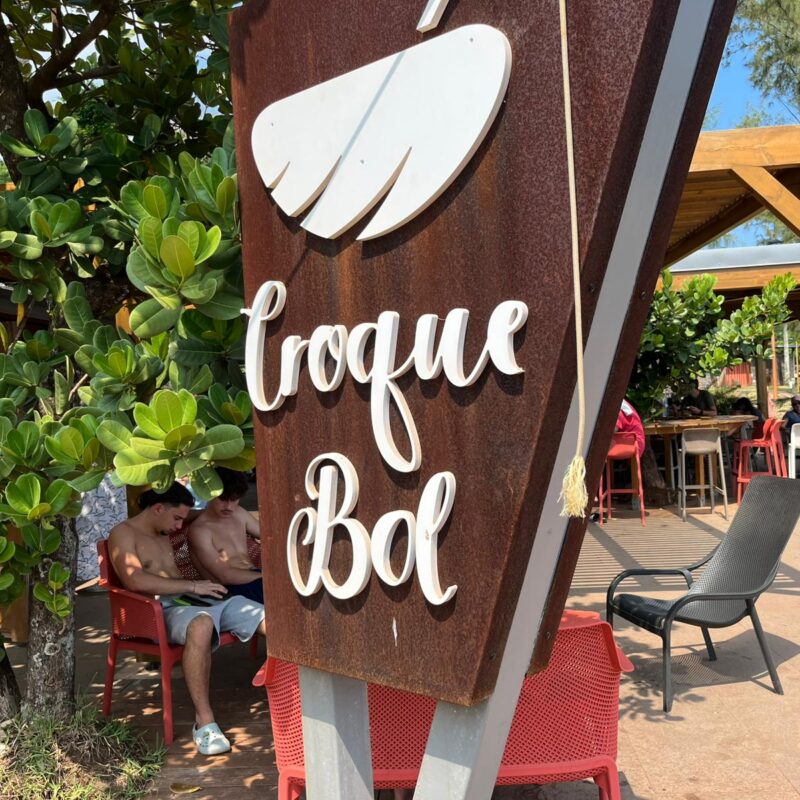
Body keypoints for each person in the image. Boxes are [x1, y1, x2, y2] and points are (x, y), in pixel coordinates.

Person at [107, 482, 265, 755]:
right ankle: (204, 722)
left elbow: (205, 513)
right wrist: (192, 586)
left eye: (183, 518)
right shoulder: (123, 533)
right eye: (177, 518)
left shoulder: (166, 525)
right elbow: (134, 580)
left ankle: (299, 695)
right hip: (159, 610)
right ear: (158, 508)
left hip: (197, 600)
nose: (181, 526)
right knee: (202, 624)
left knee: (267, 615)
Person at [188, 467, 264, 604]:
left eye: (234, 499)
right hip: (231, 590)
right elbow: (224, 575)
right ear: (209, 494)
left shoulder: (238, 513)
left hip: (255, 576)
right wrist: (268, 576)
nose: (228, 506)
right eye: (223, 499)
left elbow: (269, 537)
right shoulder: (200, 530)